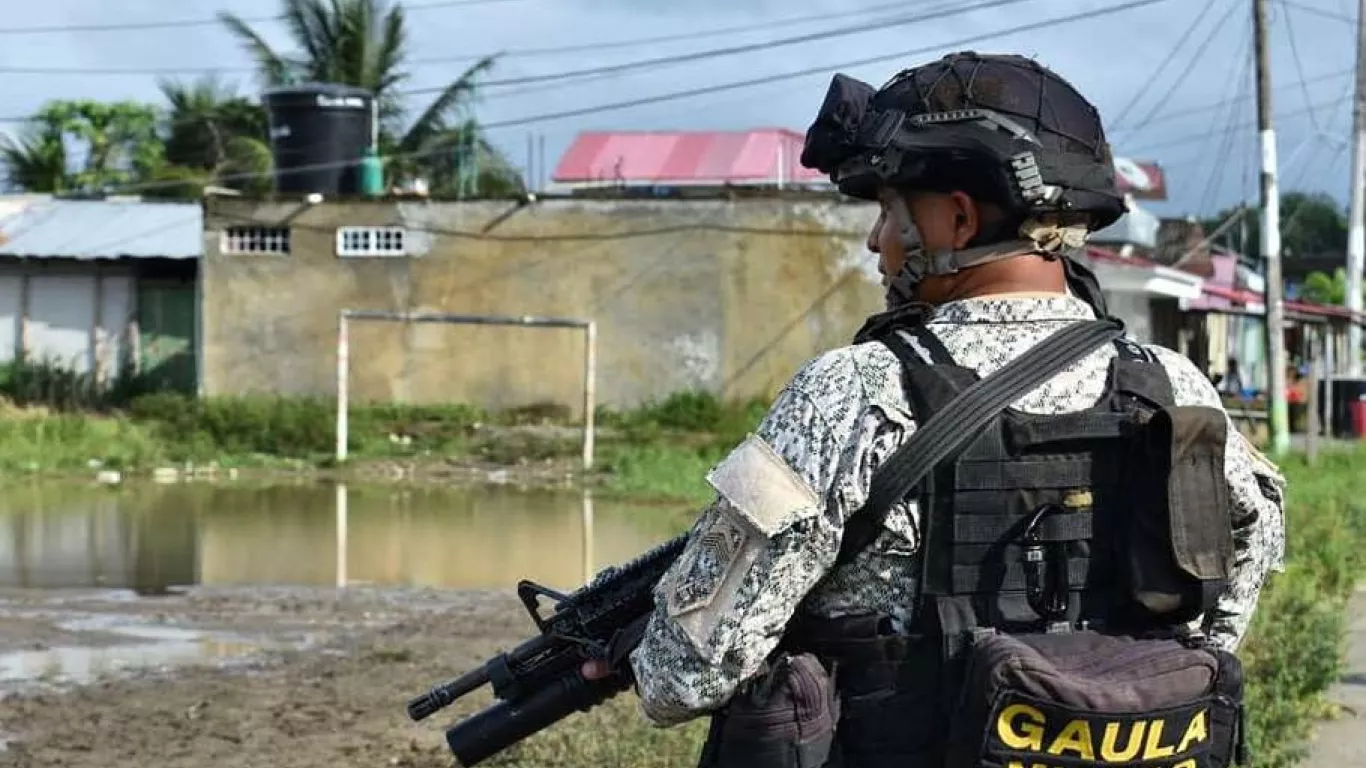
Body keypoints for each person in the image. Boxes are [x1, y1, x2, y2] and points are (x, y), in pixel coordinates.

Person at [585, 51, 1286, 767]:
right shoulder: (1172, 389)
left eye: (888, 211)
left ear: (957, 218)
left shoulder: (853, 393)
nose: (874, 241)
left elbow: (683, 676)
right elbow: (1232, 592)